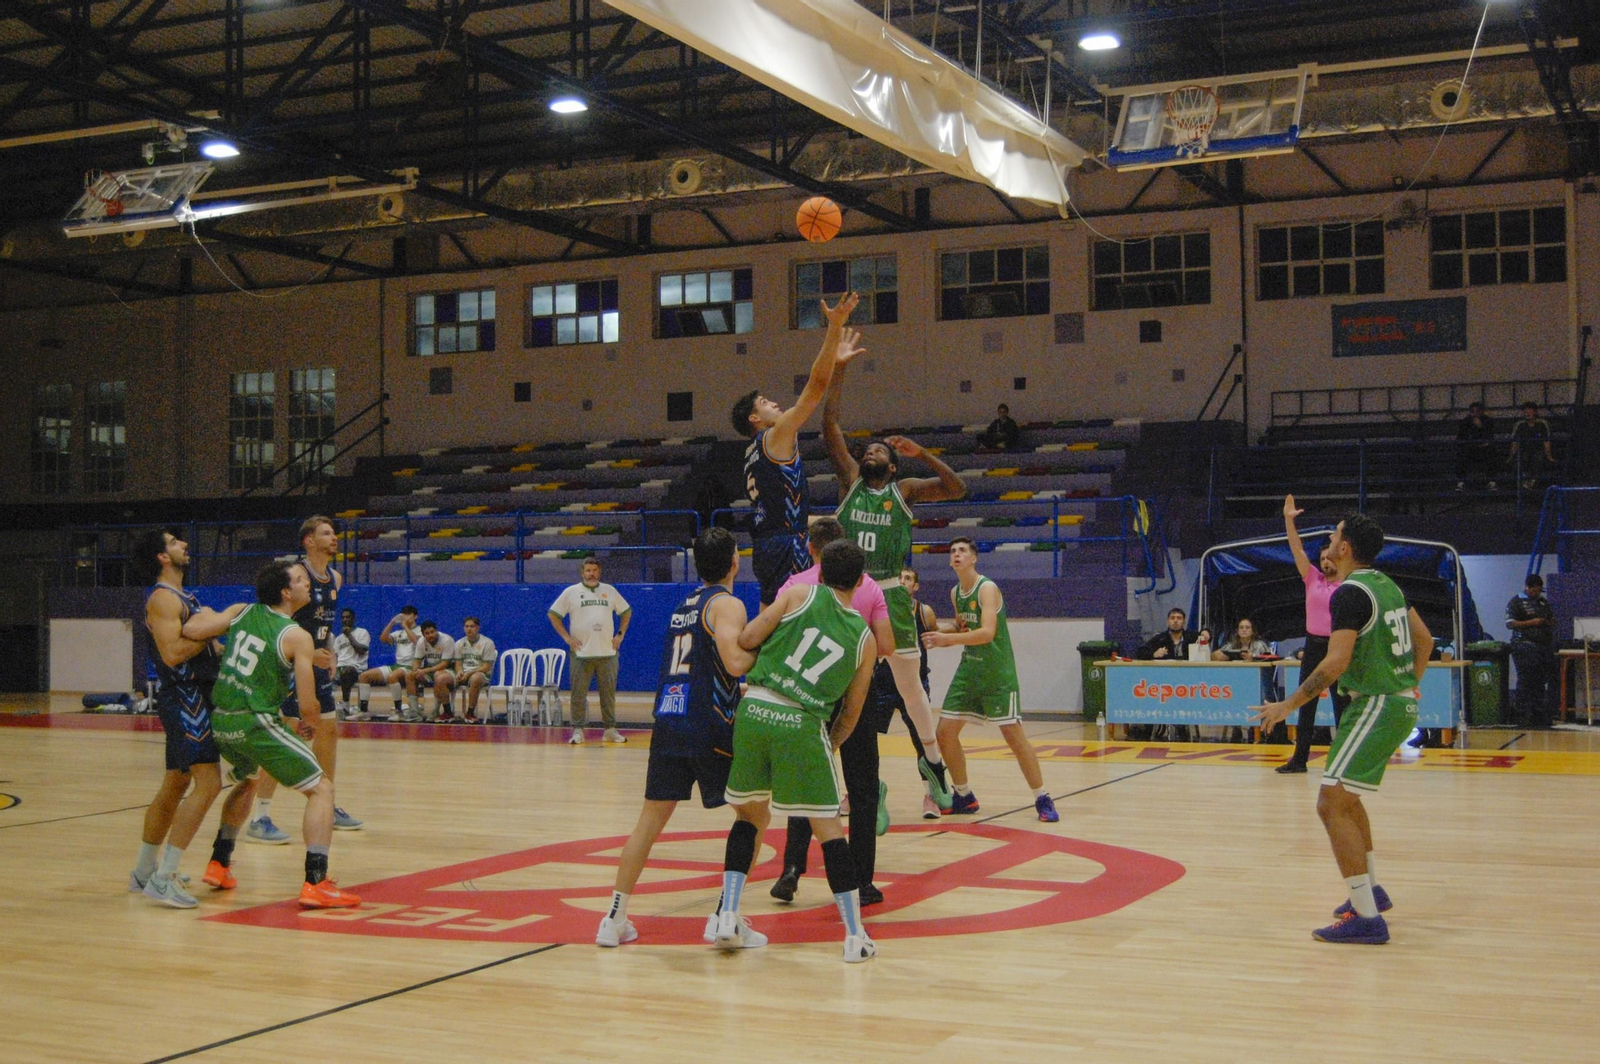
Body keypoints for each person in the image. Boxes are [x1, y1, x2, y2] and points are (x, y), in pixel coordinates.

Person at [1251, 511, 1433, 945]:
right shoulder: (1387, 584)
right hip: (1392, 703)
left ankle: (1367, 918)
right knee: (1347, 802)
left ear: (1345, 547)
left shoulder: (1349, 593)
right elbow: (1424, 640)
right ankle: (1371, 891)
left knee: (1330, 804)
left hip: (1376, 704)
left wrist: (1287, 705)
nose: (1329, 541)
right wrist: (1410, 683)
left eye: (1333, 536)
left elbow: (1334, 663)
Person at [714, 539, 878, 962]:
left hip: (755, 708)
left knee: (749, 816)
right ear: (860, 581)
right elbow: (852, 712)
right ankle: (855, 937)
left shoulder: (799, 593)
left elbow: (749, 636)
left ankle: (728, 915)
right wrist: (829, 744)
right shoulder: (865, 637)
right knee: (828, 831)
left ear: (820, 571)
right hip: (803, 723)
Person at [596, 528, 761, 948]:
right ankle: (727, 916)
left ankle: (613, 918)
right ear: (735, 560)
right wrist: (770, 644)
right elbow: (736, 662)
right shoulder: (727, 604)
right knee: (753, 815)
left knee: (648, 823)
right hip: (708, 723)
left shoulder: (683, 605)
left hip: (669, 718)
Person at [824, 368, 964, 812]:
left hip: (891, 593)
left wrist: (924, 453)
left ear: (893, 464)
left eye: (879, 450)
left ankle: (934, 764)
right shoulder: (850, 481)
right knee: (840, 689)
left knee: (911, 689)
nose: (869, 453)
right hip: (850, 592)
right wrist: (838, 370)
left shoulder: (905, 489)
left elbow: (956, 488)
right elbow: (830, 425)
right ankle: (848, 783)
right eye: (866, 449)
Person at [191, 561, 362, 909]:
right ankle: (316, 882)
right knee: (322, 789)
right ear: (286, 592)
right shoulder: (296, 635)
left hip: (222, 722)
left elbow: (196, 630)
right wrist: (309, 722)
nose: (306, 584)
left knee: (250, 779)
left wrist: (201, 614)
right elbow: (307, 697)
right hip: (255, 722)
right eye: (299, 580)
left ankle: (219, 862)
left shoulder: (242, 611)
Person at [765, 518, 895, 907]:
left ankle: (791, 870)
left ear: (812, 549)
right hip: (855, 691)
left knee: (807, 781)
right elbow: (886, 644)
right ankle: (863, 880)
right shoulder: (868, 586)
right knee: (863, 788)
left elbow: (773, 634)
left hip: (809, 691)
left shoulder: (795, 586)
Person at [128, 528, 256, 908]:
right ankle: (164, 877)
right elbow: (172, 654)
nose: (184, 544)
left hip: (199, 695)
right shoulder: (163, 599)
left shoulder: (186, 598)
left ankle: (143, 871)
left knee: (175, 783)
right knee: (208, 783)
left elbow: (209, 645)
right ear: (162, 557)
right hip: (185, 696)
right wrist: (222, 621)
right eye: (174, 542)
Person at [732, 292, 863, 605]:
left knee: (770, 618)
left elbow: (781, 513)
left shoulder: (751, 453)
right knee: (797, 619)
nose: (774, 403)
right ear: (754, 418)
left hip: (766, 544)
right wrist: (833, 329)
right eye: (764, 403)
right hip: (786, 545)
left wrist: (831, 521)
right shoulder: (774, 436)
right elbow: (814, 390)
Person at [924, 537, 1058, 823]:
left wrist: (948, 640)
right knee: (944, 733)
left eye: (962, 551)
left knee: (1014, 737)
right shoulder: (955, 592)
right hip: (969, 670)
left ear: (974, 558)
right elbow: (964, 626)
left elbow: (986, 632)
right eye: (952, 551)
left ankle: (1042, 797)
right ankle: (964, 795)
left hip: (997, 672)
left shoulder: (987, 588)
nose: (957, 554)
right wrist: (933, 629)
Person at [246, 516, 362, 842]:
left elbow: (325, 625)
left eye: (335, 533)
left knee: (329, 731)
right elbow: (277, 623)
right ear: (309, 541)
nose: (334, 538)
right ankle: (260, 815)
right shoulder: (295, 576)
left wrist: (329, 651)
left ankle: (329, 802)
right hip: (288, 665)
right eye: (326, 533)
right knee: (283, 736)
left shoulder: (335, 578)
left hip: (314, 664)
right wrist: (308, 653)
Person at [1279, 495, 1352, 774]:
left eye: (1328, 557)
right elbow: (1296, 549)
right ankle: (1299, 759)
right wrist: (1289, 520)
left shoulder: (1348, 584)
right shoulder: (1311, 579)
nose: (1324, 561)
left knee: (1341, 705)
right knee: (1306, 703)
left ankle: (1344, 760)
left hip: (1337, 647)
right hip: (1313, 645)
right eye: (1321, 558)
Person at [548, 557, 632, 744]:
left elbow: (626, 612)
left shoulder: (609, 591)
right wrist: (567, 638)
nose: (591, 573)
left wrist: (620, 634)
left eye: (594, 570)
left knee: (608, 694)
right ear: (582, 572)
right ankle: (578, 730)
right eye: (588, 570)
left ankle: (610, 729)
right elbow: (553, 615)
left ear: (599, 572)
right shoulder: (571, 592)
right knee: (578, 694)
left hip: (608, 653)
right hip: (581, 653)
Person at [1506, 574, 1557, 728]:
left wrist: (1547, 622)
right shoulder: (1516, 602)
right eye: (1534, 591)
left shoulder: (1543, 603)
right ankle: (1522, 715)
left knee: (1540, 681)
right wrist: (1532, 623)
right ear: (1527, 587)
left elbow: (1551, 620)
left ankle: (1538, 715)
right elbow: (1510, 624)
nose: (1536, 594)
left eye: (1539, 591)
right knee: (1525, 680)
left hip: (1542, 647)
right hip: (1523, 646)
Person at [362, 605, 421, 721]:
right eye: (404, 615)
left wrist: (405, 626)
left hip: (411, 666)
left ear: (415, 616)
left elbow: (417, 642)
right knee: (364, 676)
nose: (407, 617)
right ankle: (363, 711)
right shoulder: (399, 633)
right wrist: (392, 622)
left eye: (409, 614)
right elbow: (383, 638)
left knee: (392, 676)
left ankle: (398, 711)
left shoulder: (420, 630)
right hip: (397, 665)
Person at [435, 616, 497, 723]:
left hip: (480, 674)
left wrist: (470, 673)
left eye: (472, 626)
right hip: (464, 674)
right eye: (467, 626)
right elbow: (458, 663)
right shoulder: (459, 643)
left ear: (478, 628)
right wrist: (459, 671)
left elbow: (486, 667)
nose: (469, 629)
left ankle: (470, 713)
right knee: (441, 678)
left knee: (475, 678)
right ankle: (448, 712)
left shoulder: (488, 643)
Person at [410, 621, 456, 720]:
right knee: (410, 675)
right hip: (431, 670)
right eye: (427, 633)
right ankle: (415, 712)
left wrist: (425, 671)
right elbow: (416, 661)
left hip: (449, 671)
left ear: (436, 631)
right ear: (423, 634)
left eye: (432, 632)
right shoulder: (421, 642)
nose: (431, 635)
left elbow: (445, 664)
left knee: (439, 676)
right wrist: (416, 670)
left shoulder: (446, 640)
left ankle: (436, 710)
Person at [334, 609, 371, 720]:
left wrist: (349, 635)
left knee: (347, 671)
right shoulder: (338, 639)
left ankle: (345, 706)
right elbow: (335, 658)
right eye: (343, 617)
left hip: (356, 668)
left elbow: (362, 650)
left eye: (348, 617)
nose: (345, 619)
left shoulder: (362, 632)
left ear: (353, 619)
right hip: (339, 667)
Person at [1509, 402, 1555, 490]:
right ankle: (1523, 481)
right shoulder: (1520, 424)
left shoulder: (1543, 423)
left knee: (1538, 458)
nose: (1527, 413)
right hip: (1524, 450)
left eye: (1530, 410)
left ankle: (1532, 481)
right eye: (1525, 411)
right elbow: (1515, 442)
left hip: (1538, 450)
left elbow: (1546, 441)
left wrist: (1549, 456)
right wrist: (1511, 456)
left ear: (1535, 412)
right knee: (1522, 458)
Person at [1455, 402, 1497, 492]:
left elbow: (1490, 436)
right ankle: (1461, 482)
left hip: (1485, 448)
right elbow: (1460, 438)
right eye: (1472, 411)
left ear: (1481, 412)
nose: (1475, 414)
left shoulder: (1487, 421)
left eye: (1477, 411)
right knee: (1461, 455)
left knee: (1492, 454)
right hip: (1470, 448)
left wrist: (1480, 426)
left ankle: (1492, 482)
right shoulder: (1465, 422)